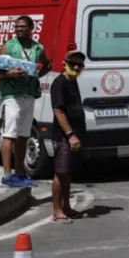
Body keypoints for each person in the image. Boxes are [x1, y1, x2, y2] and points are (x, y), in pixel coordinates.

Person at [0, 15, 51, 188]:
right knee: (9, 133)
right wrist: (10, 74)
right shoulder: (8, 46)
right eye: (17, 26)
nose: (19, 29)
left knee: (23, 136)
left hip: (29, 95)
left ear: (31, 28)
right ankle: (7, 175)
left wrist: (35, 75)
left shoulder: (38, 48)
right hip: (11, 95)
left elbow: (47, 64)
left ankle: (20, 173)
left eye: (23, 26)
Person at [49, 50, 88, 223]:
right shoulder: (60, 83)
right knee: (60, 172)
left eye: (80, 65)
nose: (77, 67)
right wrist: (70, 134)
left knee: (67, 172)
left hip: (75, 135)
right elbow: (58, 110)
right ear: (65, 63)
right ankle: (57, 211)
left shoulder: (73, 82)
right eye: (73, 63)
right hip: (64, 136)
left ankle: (66, 207)